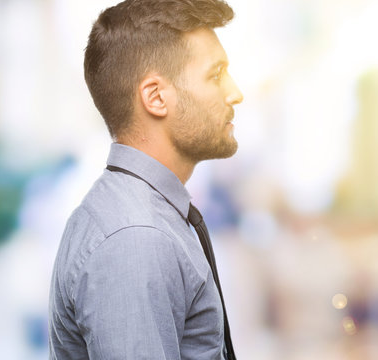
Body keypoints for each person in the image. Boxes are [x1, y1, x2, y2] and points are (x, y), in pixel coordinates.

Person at [48, 0, 244, 359]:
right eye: (215, 75)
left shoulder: (141, 218)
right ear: (155, 97)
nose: (235, 93)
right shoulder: (136, 238)